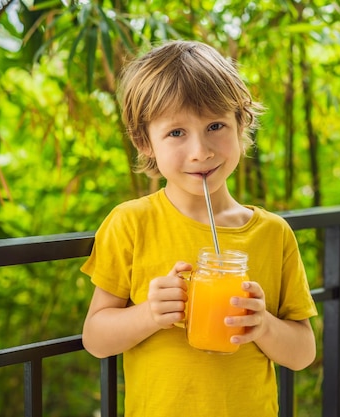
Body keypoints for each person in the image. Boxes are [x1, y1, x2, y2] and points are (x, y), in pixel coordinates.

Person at [81, 39, 317, 417]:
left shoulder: (274, 234)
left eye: (215, 126)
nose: (200, 151)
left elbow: (303, 353)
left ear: (242, 124)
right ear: (145, 142)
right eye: (176, 133)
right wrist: (149, 314)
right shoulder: (130, 223)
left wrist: (263, 325)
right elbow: (95, 338)